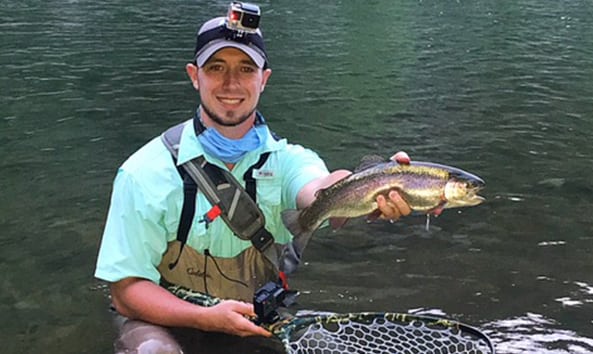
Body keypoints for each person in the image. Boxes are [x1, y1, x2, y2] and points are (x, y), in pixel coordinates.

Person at [95, 5, 411, 353]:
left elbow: (319, 191)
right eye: (216, 68)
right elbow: (125, 292)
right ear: (194, 75)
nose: (231, 83)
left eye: (246, 69)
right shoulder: (144, 173)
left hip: (255, 314)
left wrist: (370, 186)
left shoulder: (290, 161)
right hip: (164, 319)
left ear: (264, 79)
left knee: (325, 345)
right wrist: (204, 318)